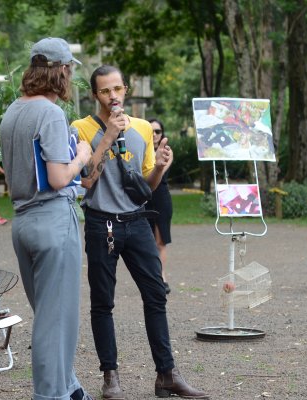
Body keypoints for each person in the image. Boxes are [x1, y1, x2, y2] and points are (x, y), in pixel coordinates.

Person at [72, 65, 208, 399]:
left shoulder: (143, 128)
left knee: (157, 295)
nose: (113, 96)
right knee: (103, 302)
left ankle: (167, 374)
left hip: (136, 221)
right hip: (100, 222)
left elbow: (145, 187)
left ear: (126, 90)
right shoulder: (80, 128)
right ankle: (111, 377)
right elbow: (85, 179)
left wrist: (160, 167)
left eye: (117, 89)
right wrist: (107, 136)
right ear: (95, 95)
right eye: (105, 91)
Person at [0, 37, 94, 400]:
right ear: (61, 71)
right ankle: (51, 395)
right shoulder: (51, 113)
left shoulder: (13, 111)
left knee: (49, 318)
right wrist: (82, 154)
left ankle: (69, 388)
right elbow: (57, 177)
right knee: (56, 323)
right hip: (53, 220)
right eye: (69, 69)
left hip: (22, 222)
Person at [146, 118, 172, 293]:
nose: (155, 134)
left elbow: (159, 173)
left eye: (158, 131)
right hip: (144, 198)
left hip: (161, 198)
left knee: (160, 242)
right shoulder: (142, 150)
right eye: (151, 131)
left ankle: (162, 277)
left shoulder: (167, 152)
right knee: (145, 242)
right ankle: (150, 276)